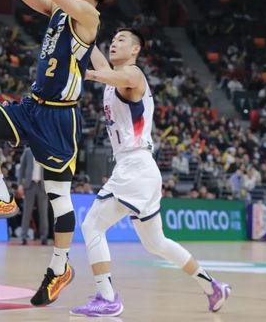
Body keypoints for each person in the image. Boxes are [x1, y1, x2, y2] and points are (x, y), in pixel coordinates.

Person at [0, 0, 121, 306]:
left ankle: (59, 267)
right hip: (32, 105)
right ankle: (2, 197)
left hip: (60, 118)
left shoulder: (89, 16)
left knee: (58, 198)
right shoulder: (59, 10)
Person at [70, 28, 231, 317]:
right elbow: (96, 57)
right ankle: (212, 286)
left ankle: (108, 298)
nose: (114, 43)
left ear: (135, 50)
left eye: (121, 40)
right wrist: (78, 34)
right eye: (113, 40)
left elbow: (118, 77)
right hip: (142, 169)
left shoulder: (134, 75)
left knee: (92, 226)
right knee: (157, 243)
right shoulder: (114, 76)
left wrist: (87, 74)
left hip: (135, 166)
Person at [17, 146, 48, 245]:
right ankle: (23, 236)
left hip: (42, 186)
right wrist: (20, 184)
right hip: (30, 185)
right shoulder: (28, 151)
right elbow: (21, 169)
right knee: (27, 212)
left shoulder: (46, 150)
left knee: (43, 213)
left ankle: (44, 236)